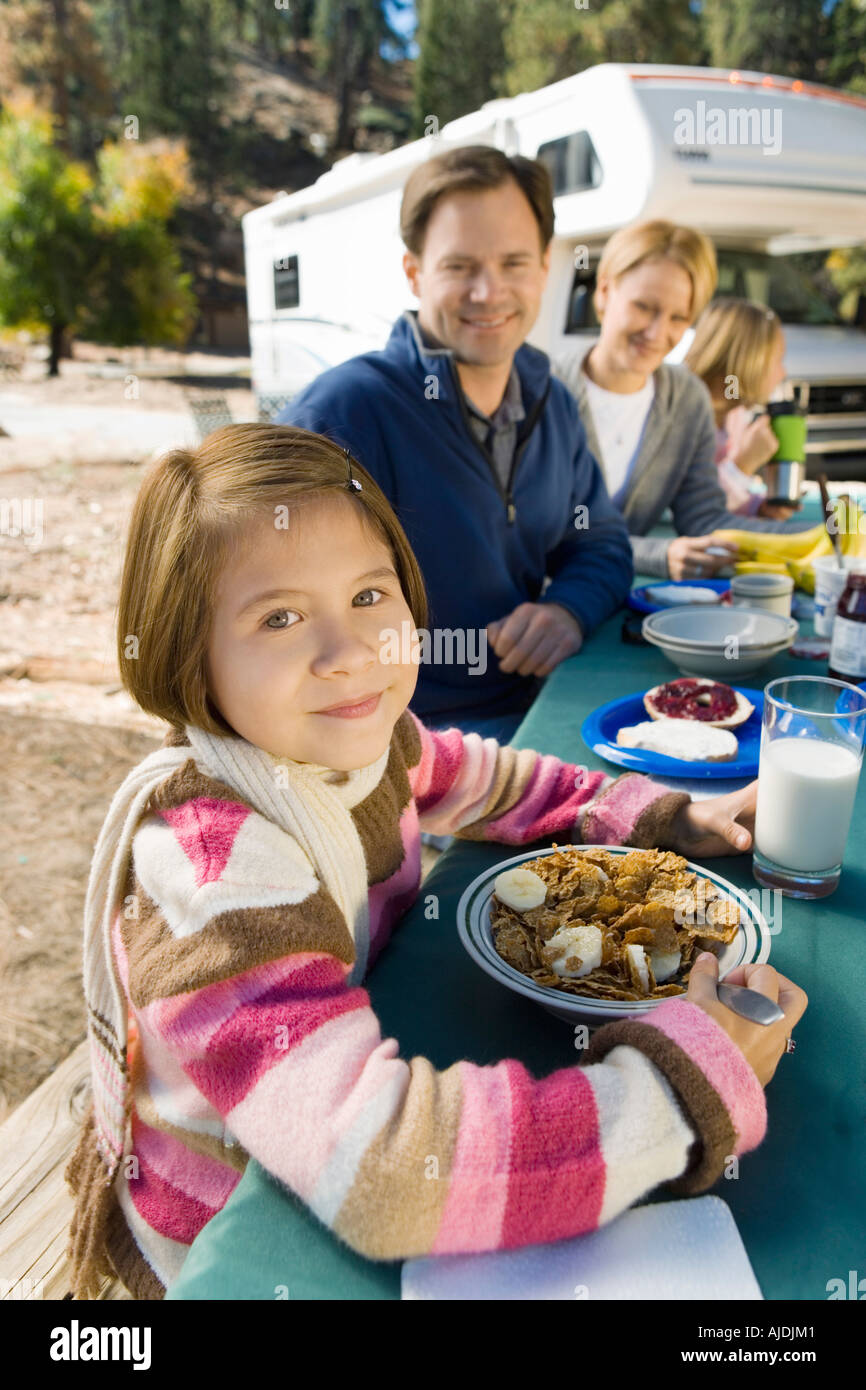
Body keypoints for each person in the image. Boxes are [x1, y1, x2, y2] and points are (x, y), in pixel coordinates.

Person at [64, 423, 806, 1300]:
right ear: (188, 652)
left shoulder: (370, 748)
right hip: (228, 1222)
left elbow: (488, 778)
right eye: (280, 616)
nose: (351, 655)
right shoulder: (213, 870)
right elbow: (380, 1173)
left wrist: (659, 814)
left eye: (371, 596)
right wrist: (680, 1090)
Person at [278, 145, 633, 744]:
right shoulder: (341, 414)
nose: (488, 292)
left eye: (514, 263)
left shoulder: (554, 404)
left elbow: (599, 541)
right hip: (406, 750)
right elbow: (276, 620)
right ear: (415, 273)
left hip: (537, 712)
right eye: (460, 266)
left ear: (545, 269)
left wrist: (567, 609)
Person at [554, 221, 813, 580]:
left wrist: (828, 536)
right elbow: (551, 534)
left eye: (679, 317)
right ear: (603, 292)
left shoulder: (687, 398)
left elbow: (706, 519)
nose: (658, 333)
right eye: (644, 307)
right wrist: (658, 555)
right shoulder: (547, 389)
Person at [685, 298, 797, 520]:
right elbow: (689, 505)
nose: (782, 373)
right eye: (777, 361)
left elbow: (726, 501)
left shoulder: (734, 415)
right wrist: (743, 465)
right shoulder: (684, 415)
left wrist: (757, 507)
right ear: (748, 361)